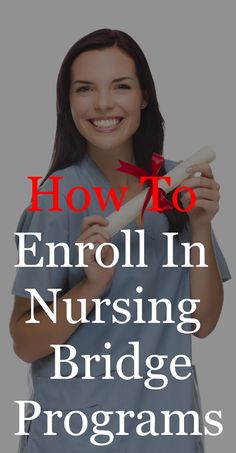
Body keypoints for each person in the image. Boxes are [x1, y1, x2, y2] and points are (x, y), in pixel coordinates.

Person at [10, 29, 230, 453]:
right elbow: (24, 341)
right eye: (85, 89)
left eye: (121, 86)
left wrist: (200, 226)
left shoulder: (177, 184)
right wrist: (92, 285)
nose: (104, 104)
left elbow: (202, 324)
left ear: (144, 96)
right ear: (67, 102)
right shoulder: (56, 199)